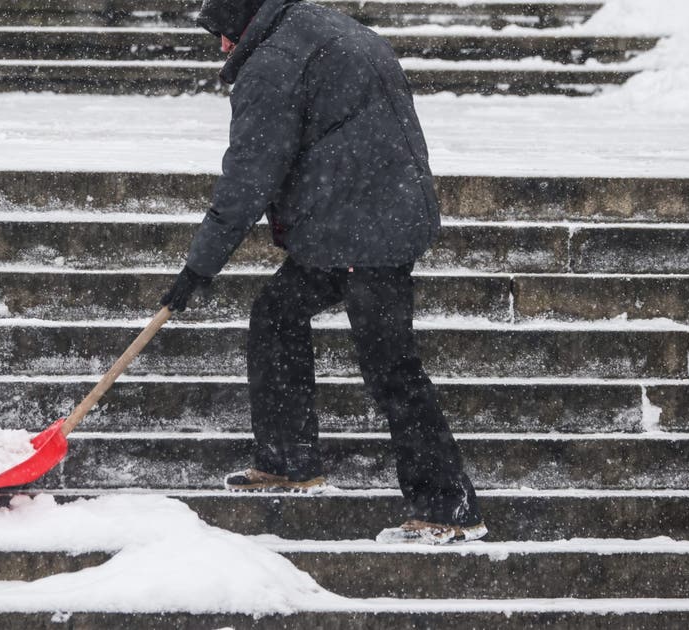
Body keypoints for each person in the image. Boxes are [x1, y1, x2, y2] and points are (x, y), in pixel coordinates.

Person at [160, 0, 486, 544]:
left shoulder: (273, 63)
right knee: (277, 312)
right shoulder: (315, 24)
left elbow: (248, 179)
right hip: (366, 216)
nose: (220, 47)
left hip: (365, 230)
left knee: (392, 370)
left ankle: (448, 507)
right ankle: (289, 461)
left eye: (223, 34)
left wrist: (197, 269)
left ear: (243, 25)